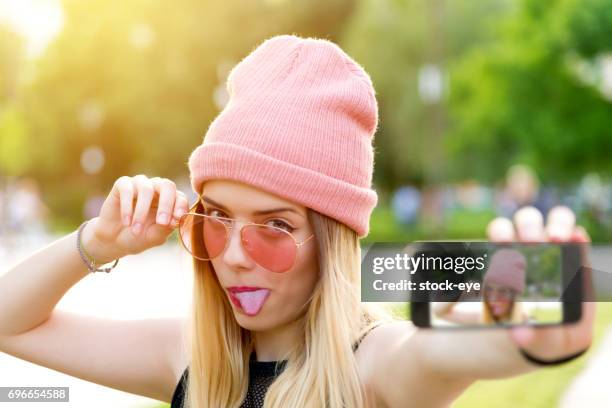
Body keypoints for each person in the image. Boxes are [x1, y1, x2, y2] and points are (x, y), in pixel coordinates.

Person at [0, 35, 594, 408]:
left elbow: (445, 353)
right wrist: (97, 243)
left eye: (275, 227)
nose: (233, 255)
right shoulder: (188, 358)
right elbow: (9, 324)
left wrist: (540, 335)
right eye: (215, 219)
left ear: (332, 240)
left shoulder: (374, 365)